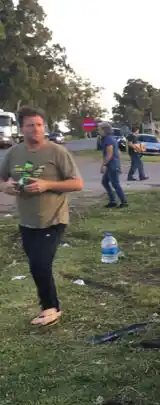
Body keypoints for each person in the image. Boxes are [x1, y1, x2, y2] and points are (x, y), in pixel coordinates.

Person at [0, 106, 84, 327]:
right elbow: (1, 180)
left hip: (53, 218)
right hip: (27, 220)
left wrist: (48, 184)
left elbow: (77, 183)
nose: (35, 129)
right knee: (36, 265)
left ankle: (51, 307)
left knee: (41, 263)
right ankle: (49, 305)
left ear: (44, 127)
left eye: (39, 125)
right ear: (21, 128)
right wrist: (6, 187)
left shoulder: (57, 152)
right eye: (30, 125)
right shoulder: (14, 153)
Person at [98, 123, 128, 208]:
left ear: (104, 130)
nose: (98, 131)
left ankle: (124, 202)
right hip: (112, 165)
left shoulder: (108, 139)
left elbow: (110, 153)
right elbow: (118, 153)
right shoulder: (109, 138)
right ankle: (113, 201)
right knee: (105, 182)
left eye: (99, 129)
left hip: (112, 165)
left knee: (115, 184)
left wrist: (103, 165)